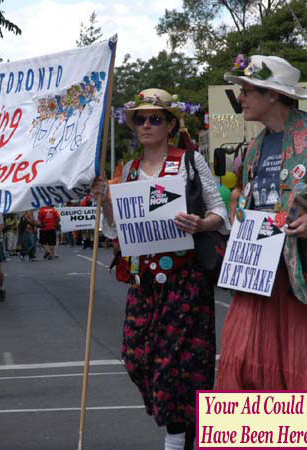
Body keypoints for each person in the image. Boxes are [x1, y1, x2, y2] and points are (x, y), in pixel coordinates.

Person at [92, 89, 229, 450]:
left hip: (185, 278)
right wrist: (106, 201)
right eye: (140, 118)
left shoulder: (189, 161)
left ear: (170, 123)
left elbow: (220, 212)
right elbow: (115, 229)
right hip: (145, 281)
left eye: (155, 118)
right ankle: (184, 423)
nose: (147, 124)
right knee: (136, 355)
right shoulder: (130, 170)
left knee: (179, 361)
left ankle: (177, 433)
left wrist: (200, 224)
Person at [215, 55, 307, 390]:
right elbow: (249, 196)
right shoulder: (256, 144)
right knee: (245, 362)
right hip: (259, 272)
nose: (240, 97)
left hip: (301, 278)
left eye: (246, 89)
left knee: (301, 369)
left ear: (272, 94)